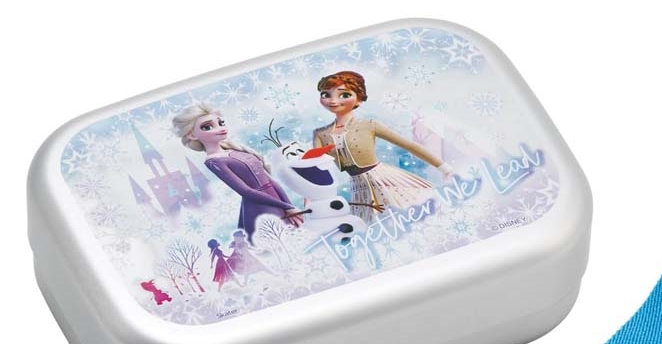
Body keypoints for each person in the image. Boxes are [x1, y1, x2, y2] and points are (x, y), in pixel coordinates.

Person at [313, 71, 454, 224]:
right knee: (372, 223)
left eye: (344, 95)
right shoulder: (321, 134)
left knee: (404, 215)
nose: (333, 100)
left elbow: (409, 145)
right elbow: (315, 170)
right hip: (358, 188)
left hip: (385, 180)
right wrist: (310, 202)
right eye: (326, 95)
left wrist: (445, 168)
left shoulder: (369, 125)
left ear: (358, 98)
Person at [173, 102, 304, 241]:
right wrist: (286, 206)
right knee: (277, 239)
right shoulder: (214, 161)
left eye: (221, 123)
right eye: (207, 127)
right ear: (192, 135)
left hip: (276, 200)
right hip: (261, 207)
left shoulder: (233, 150)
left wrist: (289, 206)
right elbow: (246, 191)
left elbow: (270, 181)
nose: (220, 128)